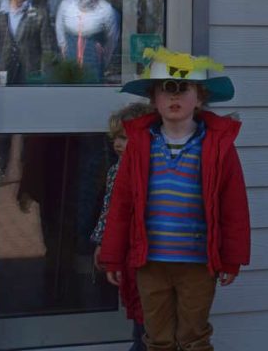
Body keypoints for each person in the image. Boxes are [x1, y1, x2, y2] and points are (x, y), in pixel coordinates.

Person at [99, 46, 250, 351]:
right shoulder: (140, 145)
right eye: (166, 90)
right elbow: (121, 205)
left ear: (201, 98)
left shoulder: (218, 147)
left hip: (197, 263)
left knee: (194, 338)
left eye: (184, 89)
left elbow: (234, 208)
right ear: (154, 99)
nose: (175, 97)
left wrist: (232, 258)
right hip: (150, 262)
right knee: (157, 339)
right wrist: (112, 255)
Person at [91, 102, 151, 350]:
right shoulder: (116, 171)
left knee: (150, 317)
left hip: (147, 253)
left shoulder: (152, 171)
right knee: (141, 316)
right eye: (116, 138)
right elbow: (110, 212)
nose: (117, 144)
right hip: (128, 254)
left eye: (125, 138)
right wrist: (104, 244)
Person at [54, 0, 120, 82]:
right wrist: (64, 49)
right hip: (70, 58)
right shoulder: (65, 5)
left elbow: (112, 38)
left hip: (94, 59)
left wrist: (103, 58)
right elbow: (59, 28)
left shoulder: (105, 8)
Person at [0, 0, 56, 84]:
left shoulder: (40, 14)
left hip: (30, 77)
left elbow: (48, 49)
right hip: (3, 77)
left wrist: (43, 76)